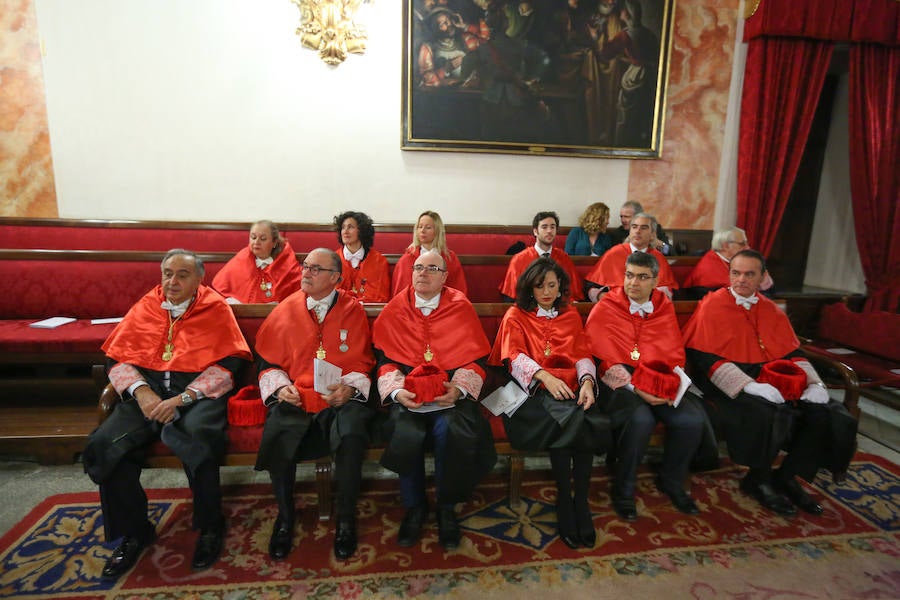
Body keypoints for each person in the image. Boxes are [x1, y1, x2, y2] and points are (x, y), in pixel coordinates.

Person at [83, 249, 252, 579]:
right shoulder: (147, 305)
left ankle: (209, 526)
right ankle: (134, 531)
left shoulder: (214, 307)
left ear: (199, 279)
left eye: (182, 275)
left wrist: (183, 399)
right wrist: (142, 394)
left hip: (197, 394)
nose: (172, 282)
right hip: (146, 393)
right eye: (167, 274)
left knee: (200, 437)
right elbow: (117, 358)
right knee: (106, 443)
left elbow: (230, 364)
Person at [683, 250, 857, 516]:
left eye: (749, 274)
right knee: (767, 412)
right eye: (735, 273)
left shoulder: (771, 309)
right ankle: (759, 478)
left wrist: (815, 384)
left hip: (776, 376)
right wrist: (749, 386)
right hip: (730, 380)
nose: (741, 280)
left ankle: (787, 476)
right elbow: (704, 357)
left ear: (762, 277)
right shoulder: (712, 304)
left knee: (828, 414)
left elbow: (792, 353)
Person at [253, 248, 376, 561]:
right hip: (297, 393)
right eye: (305, 267)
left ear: (335, 277)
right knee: (279, 427)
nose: (305, 273)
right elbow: (267, 362)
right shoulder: (286, 308)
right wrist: (281, 388)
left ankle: (346, 518)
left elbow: (363, 361)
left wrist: (348, 388)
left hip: (339, 397)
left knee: (351, 433)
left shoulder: (353, 309)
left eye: (316, 269)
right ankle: (285, 516)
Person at [373, 251, 496, 551]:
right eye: (418, 268)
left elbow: (478, 358)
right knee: (407, 429)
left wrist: (459, 389)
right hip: (409, 396)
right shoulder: (396, 308)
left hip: (449, 396)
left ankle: (446, 507)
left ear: (444, 276)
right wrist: (397, 392)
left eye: (431, 268)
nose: (422, 273)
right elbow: (384, 361)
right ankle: (415, 506)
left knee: (450, 429)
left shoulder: (460, 306)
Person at [489, 257, 610, 548]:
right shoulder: (515, 314)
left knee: (575, 415)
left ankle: (574, 500)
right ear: (529, 287)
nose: (545, 291)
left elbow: (582, 355)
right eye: (539, 285)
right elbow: (513, 358)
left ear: (561, 288)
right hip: (530, 396)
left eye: (552, 285)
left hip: (569, 391)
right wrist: (545, 377)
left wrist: (588, 383)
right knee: (578, 420)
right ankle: (574, 503)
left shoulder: (570, 316)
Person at [586, 252, 711, 521]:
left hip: (657, 378)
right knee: (640, 419)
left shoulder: (663, 306)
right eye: (629, 275)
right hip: (619, 383)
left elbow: (674, 353)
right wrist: (635, 388)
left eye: (642, 277)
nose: (634, 283)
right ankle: (624, 490)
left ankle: (672, 482)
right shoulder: (607, 306)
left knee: (690, 420)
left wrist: (669, 387)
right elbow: (602, 360)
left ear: (655, 281)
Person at [584, 212, 678, 301]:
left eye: (644, 228)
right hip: (615, 309)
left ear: (653, 234)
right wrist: (603, 297)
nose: (638, 231)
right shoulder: (613, 253)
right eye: (634, 227)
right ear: (629, 231)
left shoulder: (658, 258)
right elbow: (592, 287)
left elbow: (669, 290)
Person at [499, 211, 584, 301]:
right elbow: (511, 296)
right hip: (529, 310)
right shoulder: (519, 259)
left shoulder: (564, 258)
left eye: (552, 227)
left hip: (558, 309)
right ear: (535, 231)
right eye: (544, 227)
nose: (549, 231)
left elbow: (573, 292)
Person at [212, 220, 302, 304]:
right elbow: (221, 289)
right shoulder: (241, 259)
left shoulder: (286, 264)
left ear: (274, 242)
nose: (256, 242)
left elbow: (296, 297)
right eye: (253, 237)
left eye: (263, 239)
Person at [391, 210, 468, 297]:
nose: (422, 231)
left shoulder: (449, 258)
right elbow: (399, 296)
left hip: (445, 307)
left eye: (428, 227)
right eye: (420, 227)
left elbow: (458, 293)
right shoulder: (406, 259)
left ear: (437, 231)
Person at [683, 226, 774, 297]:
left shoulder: (734, 261)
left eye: (747, 243)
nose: (748, 248)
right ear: (726, 246)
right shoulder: (710, 264)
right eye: (742, 244)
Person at [334, 210, 390, 303]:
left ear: (362, 231)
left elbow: (380, 297)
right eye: (343, 227)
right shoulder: (332, 260)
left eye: (350, 227)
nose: (345, 231)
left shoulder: (378, 261)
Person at [417, 6, 481, 87]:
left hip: (469, 93)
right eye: (442, 24)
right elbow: (427, 78)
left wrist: (465, 26)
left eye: (448, 20)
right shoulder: (427, 48)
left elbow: (486, 38)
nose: (449, 24)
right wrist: (447, 68)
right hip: (441, 96)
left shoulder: (466, 39)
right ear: (435, 29)